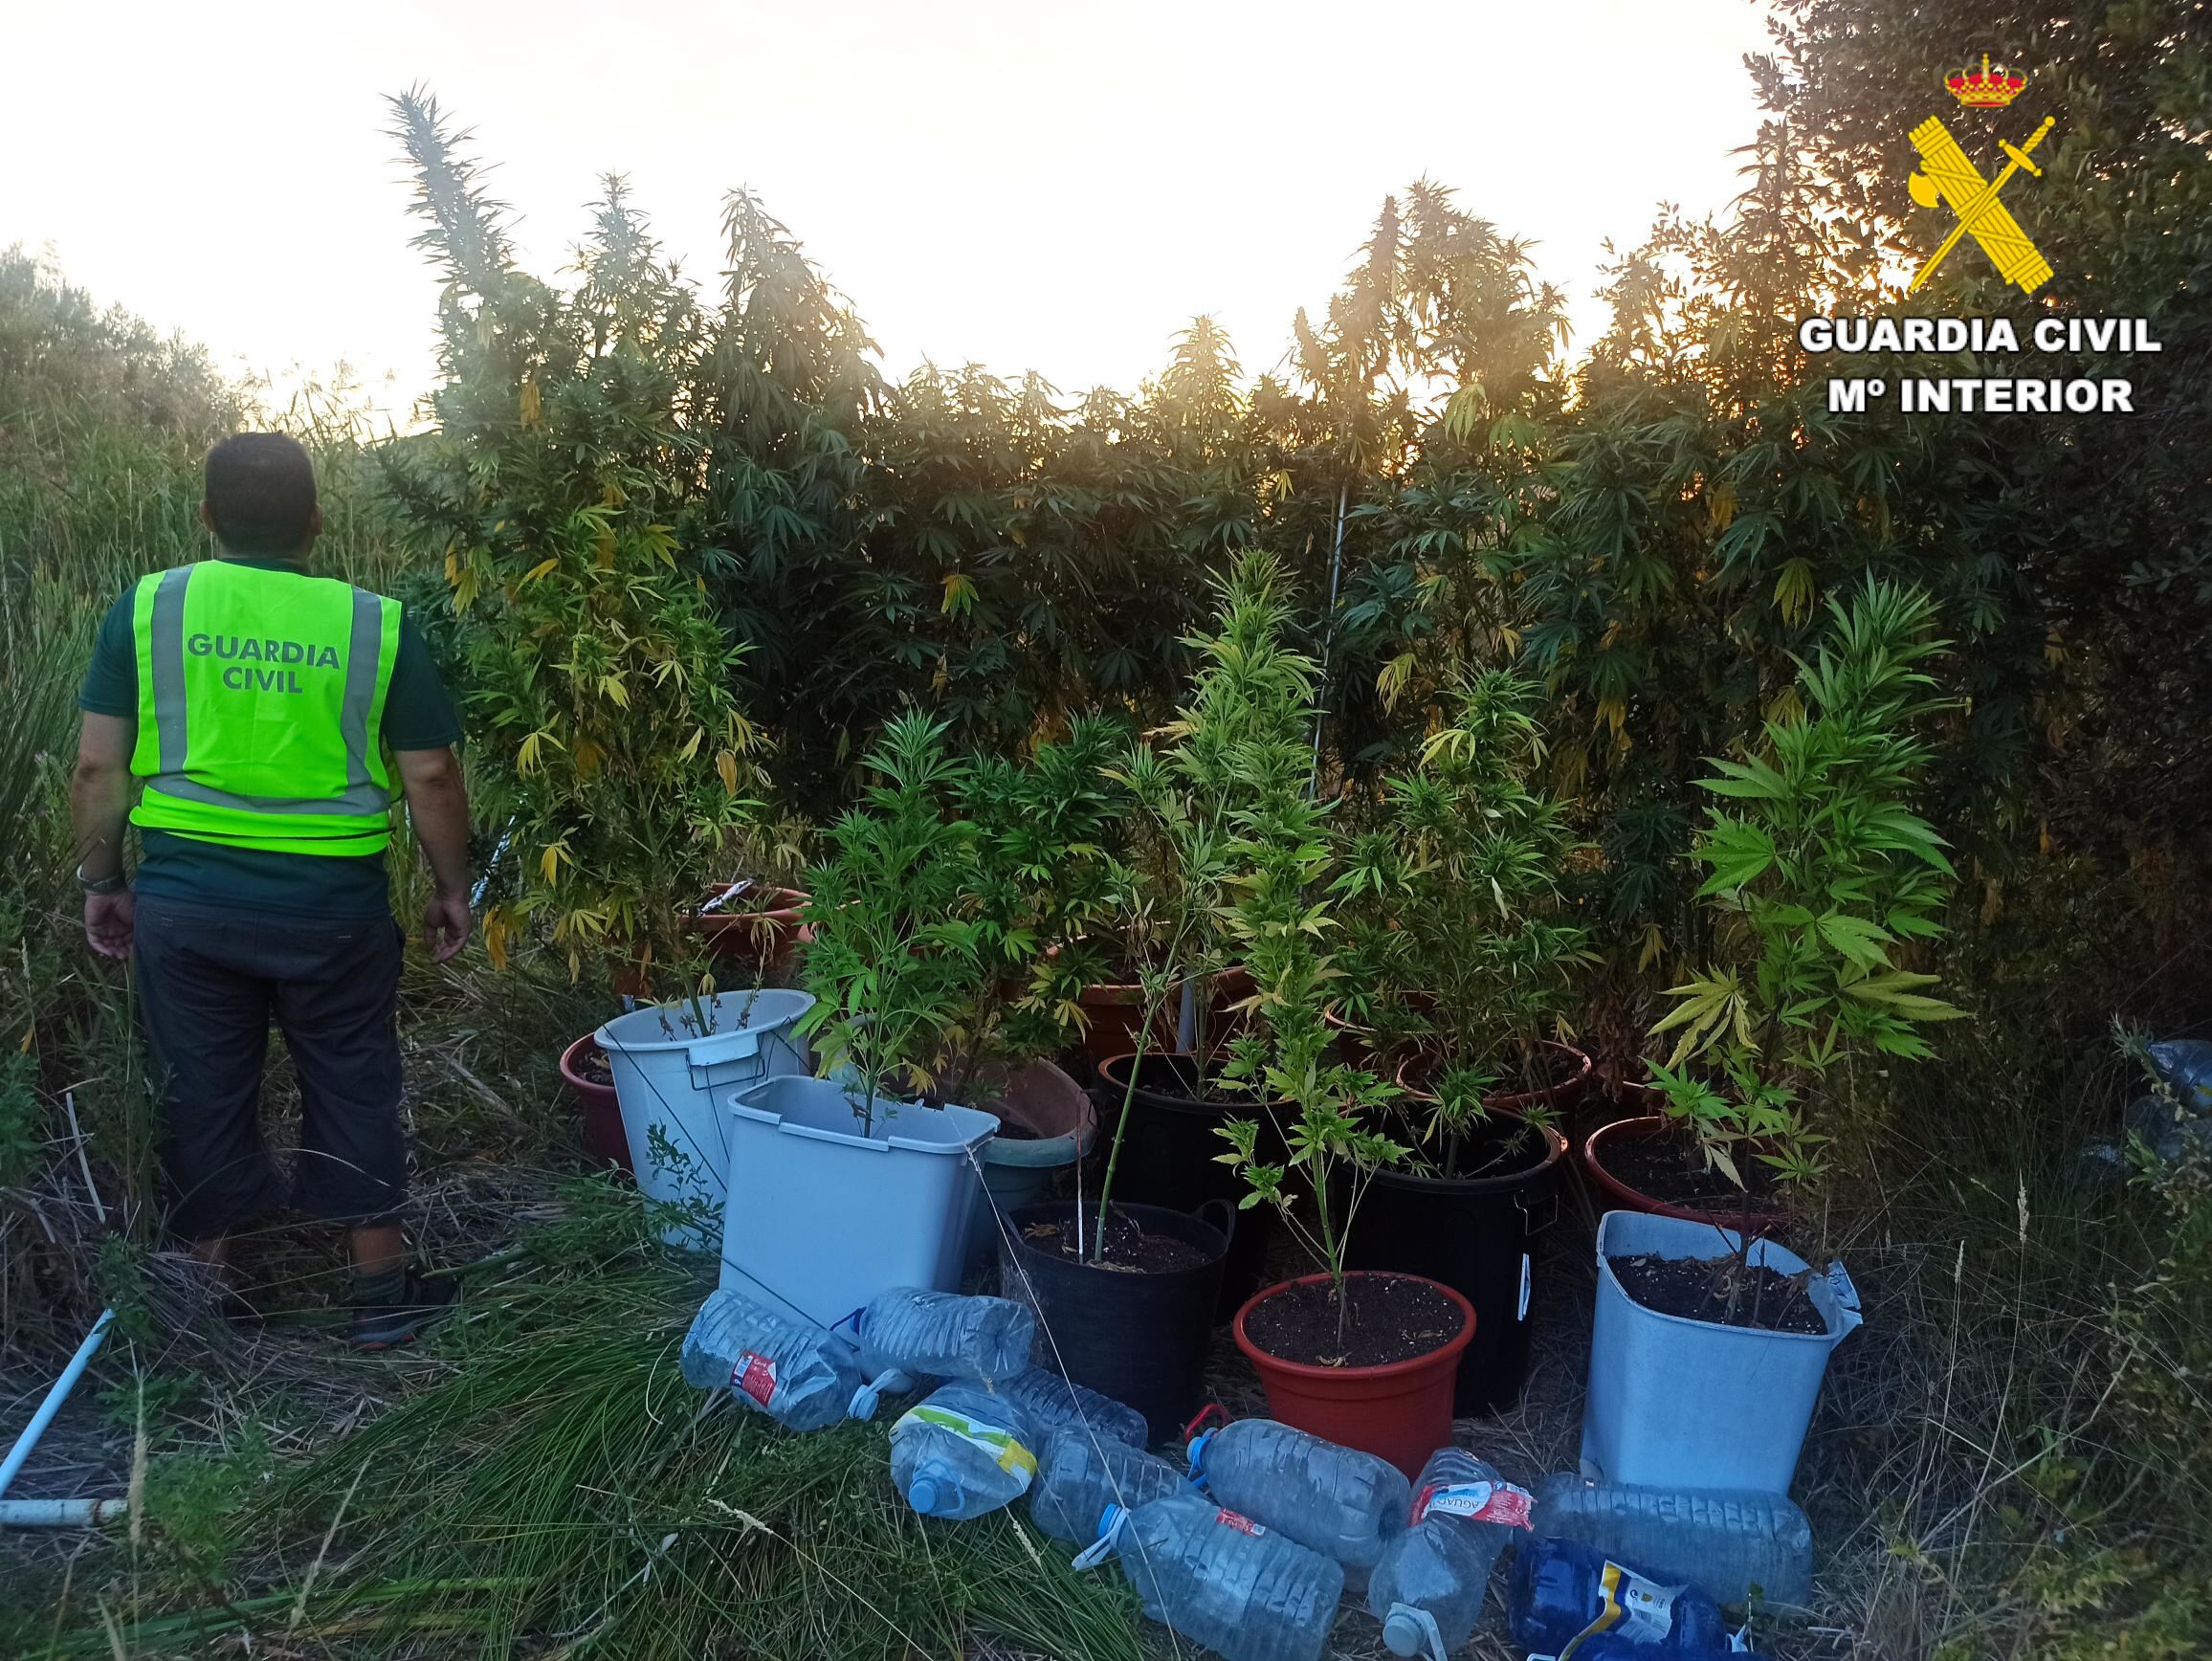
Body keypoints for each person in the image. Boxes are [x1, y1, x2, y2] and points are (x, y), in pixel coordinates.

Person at [68, 432, 474, 1349]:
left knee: (199, 1091)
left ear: (207, 517)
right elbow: (434, 777)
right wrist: (452, 887)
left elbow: (98, 768)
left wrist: (102, 880)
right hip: (333, 913)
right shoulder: (376, 623)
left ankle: (204, 1305)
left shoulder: (150, 608)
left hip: (187, 908)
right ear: (318, 523)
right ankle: (378, 1295)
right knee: (355, 1082)